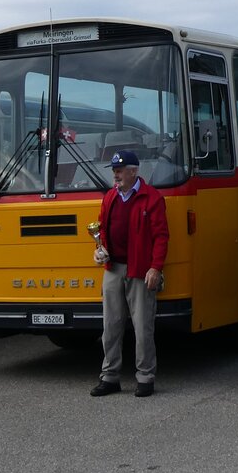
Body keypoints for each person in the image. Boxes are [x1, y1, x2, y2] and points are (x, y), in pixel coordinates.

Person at [90, 150, 169, 398]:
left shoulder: (152, 198)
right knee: (110, 326)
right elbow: (101, 228)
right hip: (113, 268)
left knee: (142, 326)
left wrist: (155, 267)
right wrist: (99, 249)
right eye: (114, 171)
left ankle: (145, 377)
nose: (115, 175)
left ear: (134, 171)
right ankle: (110, 377)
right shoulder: (110, 197)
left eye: (120, 170)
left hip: (140, 270)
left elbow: (161, 237)